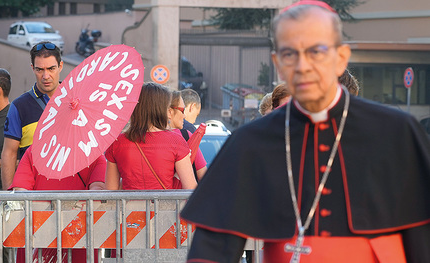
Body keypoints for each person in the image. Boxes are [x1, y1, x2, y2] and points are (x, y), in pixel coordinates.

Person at [181, 1, 430, 263]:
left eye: (317, 52)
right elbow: (211, 251)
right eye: (290, 54)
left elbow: (422, 241)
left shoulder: (396, 132)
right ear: (278, 63)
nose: (303, 66)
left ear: (341, 58)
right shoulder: (249, 142)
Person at [9, 145, 106, 262]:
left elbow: (21, 191)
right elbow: (98, 191)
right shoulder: (94, 154)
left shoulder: (34, 151)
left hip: (36, 236)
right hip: (79, 236)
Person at [105, 82, 197, 190]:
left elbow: (110, 190)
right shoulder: (176, 141)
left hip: (130, 206)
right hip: (164, 206)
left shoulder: (117, 142)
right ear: (161, 110)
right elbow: (190, 188)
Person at [2, 41, 63, 190]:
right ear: (32, 68)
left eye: (51, 68)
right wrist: (9, 197)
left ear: (60, 66)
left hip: (73, 190)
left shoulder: (76, 100)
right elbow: (9, 153)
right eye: (39, 70)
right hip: (33, 192)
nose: (46, 75)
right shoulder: (19, 106)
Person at [169, 91, 207, 181]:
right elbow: (204, 177)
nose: (184, 116)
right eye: (182, 110)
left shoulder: (135, 139)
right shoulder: (185, 134)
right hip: (183, 192)